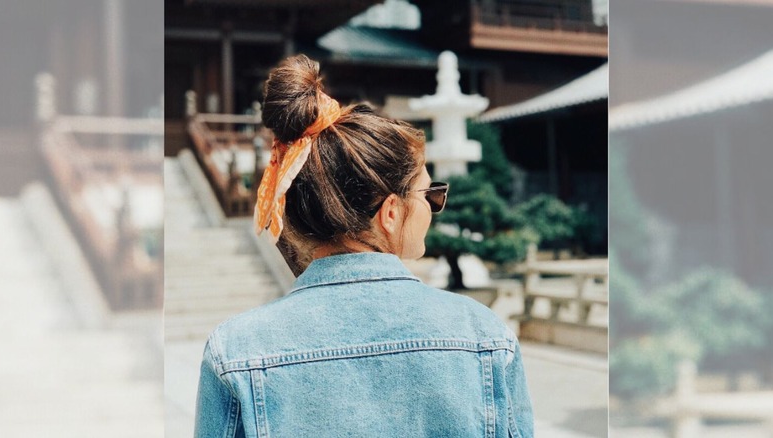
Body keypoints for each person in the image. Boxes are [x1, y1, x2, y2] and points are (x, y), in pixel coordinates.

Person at [194, 54, 534, 438]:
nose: (434, 208)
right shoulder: (485, 337)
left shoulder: (237, 351)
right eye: (430, 195)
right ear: (390, 212)